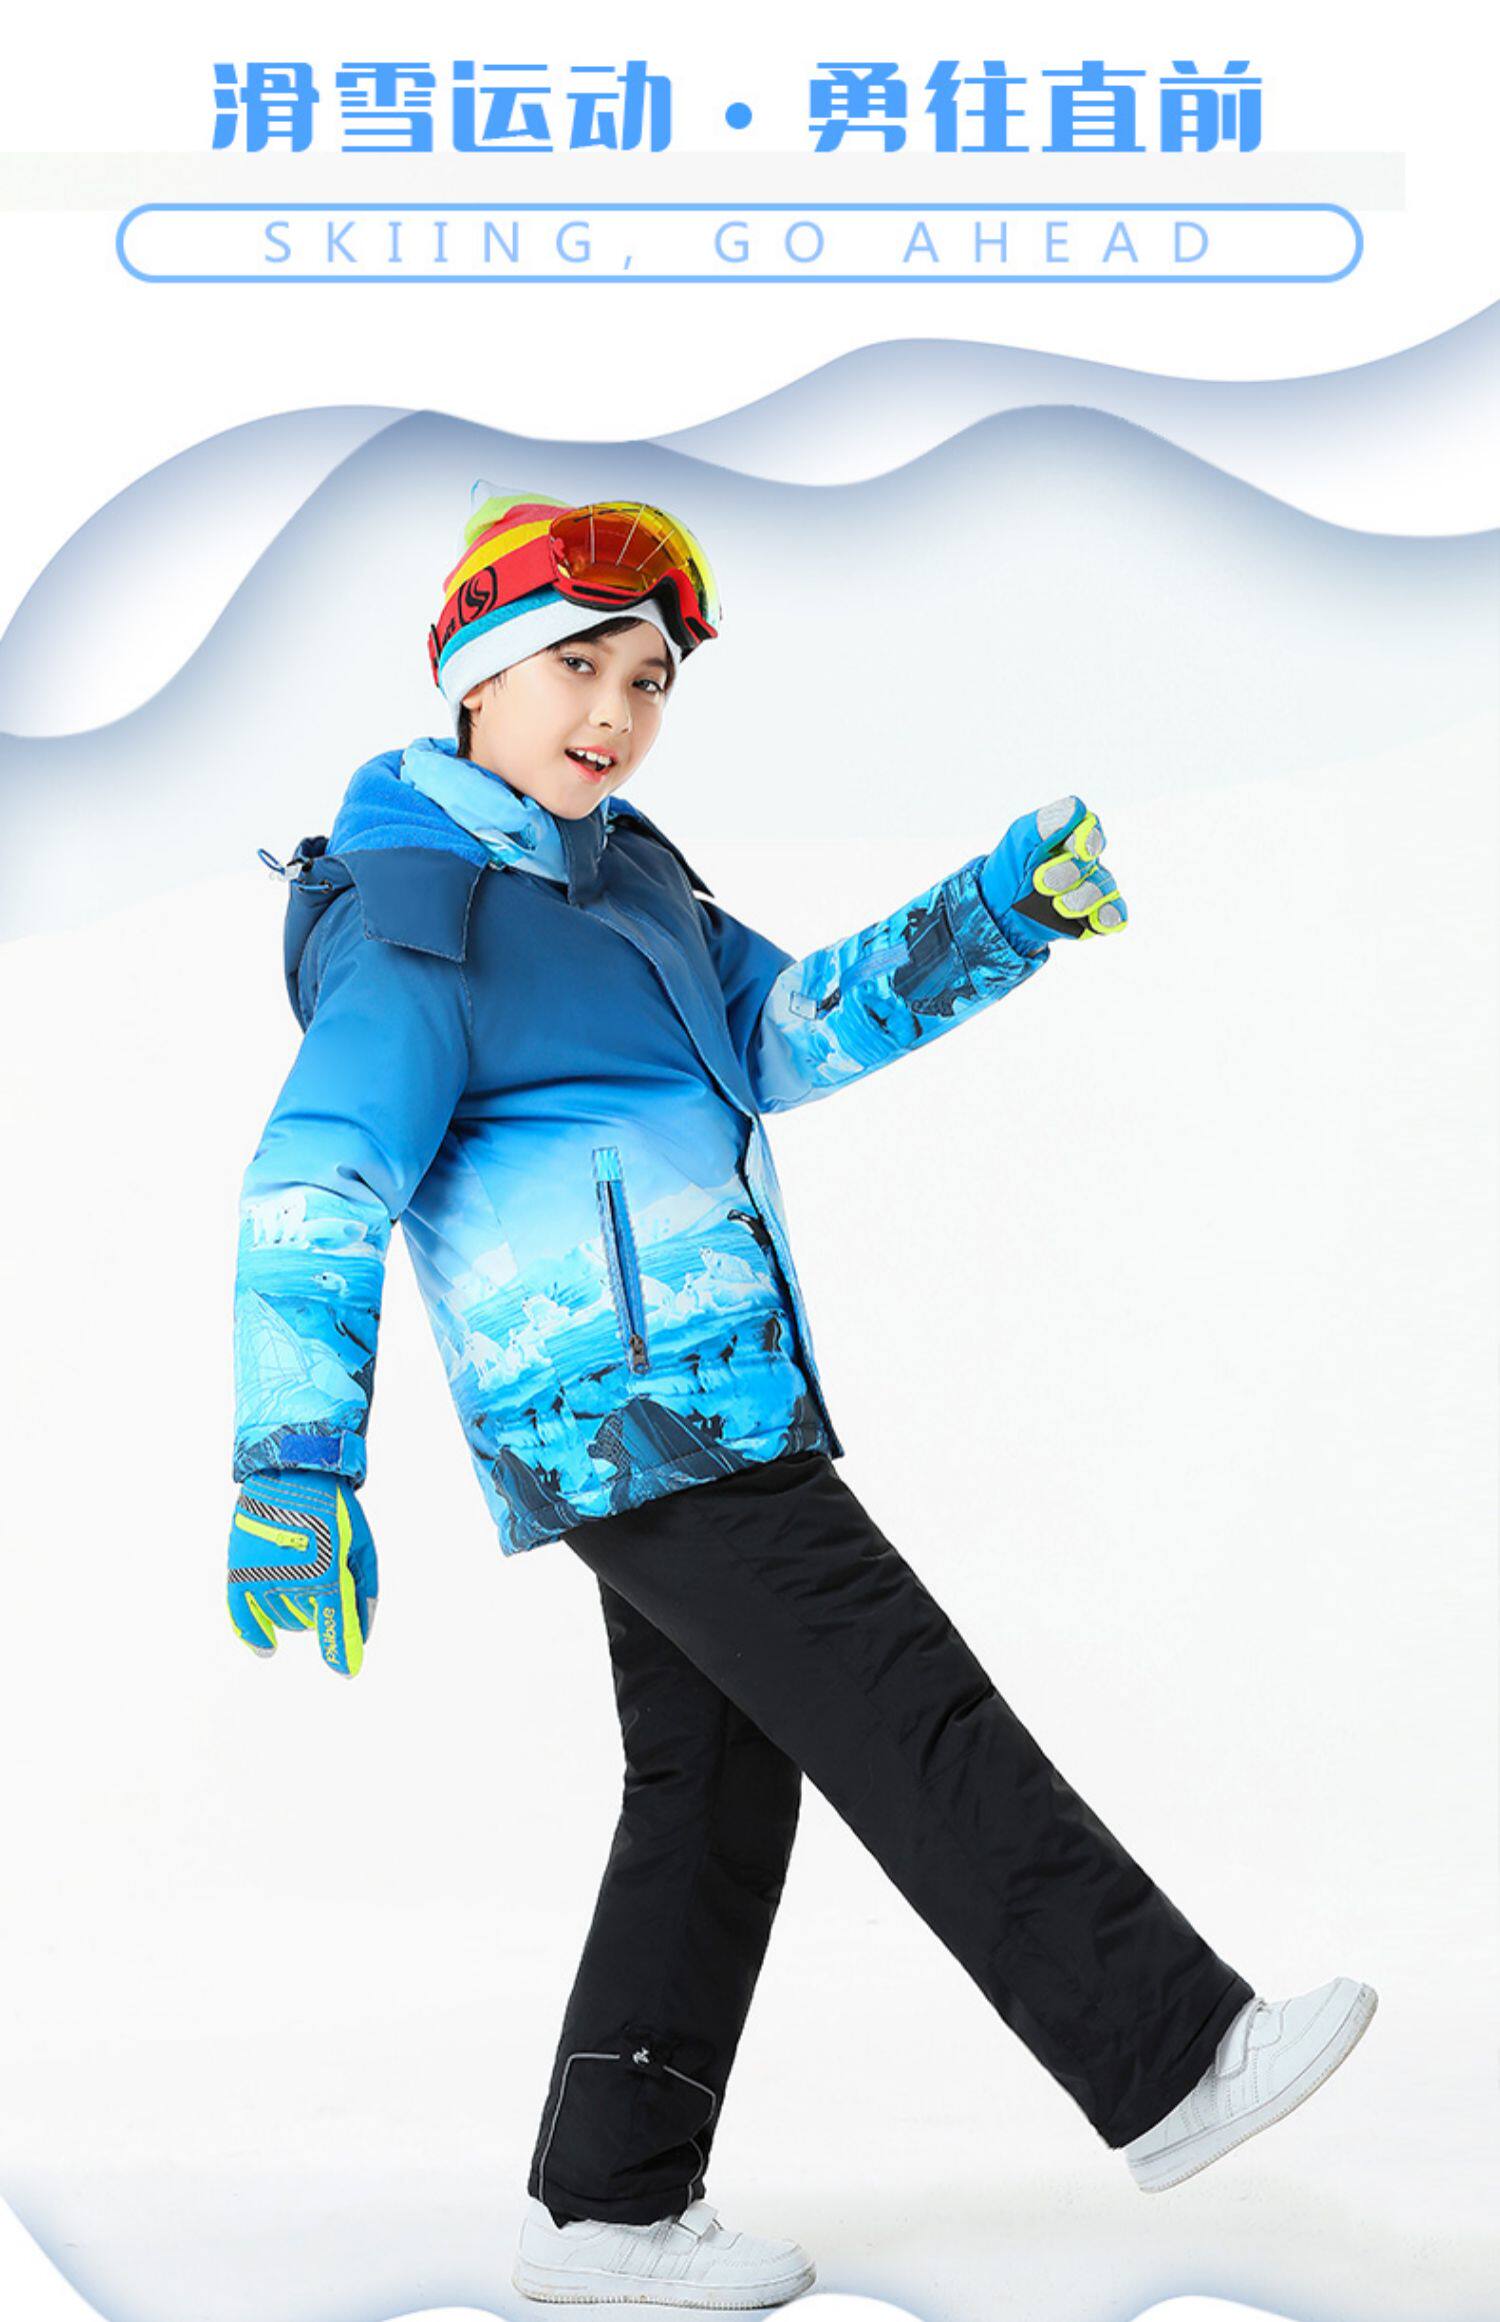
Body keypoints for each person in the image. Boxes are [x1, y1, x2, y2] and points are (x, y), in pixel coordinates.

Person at [226, 488, 1377, 2311]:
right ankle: (1174, 2052)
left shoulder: (629, 882)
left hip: (711, 1386)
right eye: (575, 665)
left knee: (714, 1778)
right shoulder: (416, 921)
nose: (615, 711)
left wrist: (996, 913)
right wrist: (293, 1460)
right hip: (618, 1401)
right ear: (472, 677)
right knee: (903, 1698)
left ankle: (604, 2206)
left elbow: (779, 1033)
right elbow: (316, 1175)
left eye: (649, 679)